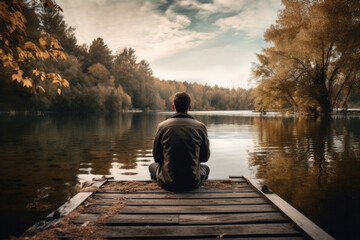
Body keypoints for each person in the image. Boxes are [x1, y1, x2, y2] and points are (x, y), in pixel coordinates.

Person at [149, 92, 210, 191]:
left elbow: (157, 159)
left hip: (168, 183)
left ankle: (158, 189)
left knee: (152, 167)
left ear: (173, 107)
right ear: (189, 107)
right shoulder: (200, 127)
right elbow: (204, 158)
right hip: (192, 183)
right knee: (206, 168)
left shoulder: (162, 127)